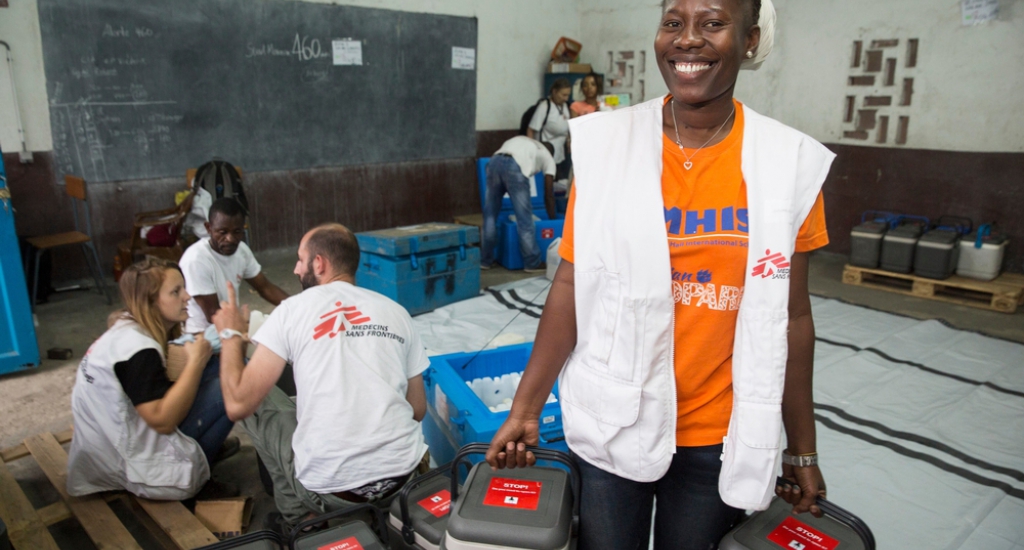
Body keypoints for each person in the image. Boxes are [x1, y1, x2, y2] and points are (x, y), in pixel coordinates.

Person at [486, 0, 832, 549]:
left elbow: (791, 319)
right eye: (673, 22)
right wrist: (526, 408)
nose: (687, 40)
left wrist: (802, 450)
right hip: (614, 419)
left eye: (713, 23)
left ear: (749, 39)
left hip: (718, 434)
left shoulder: (787, 165)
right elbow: (573, 284)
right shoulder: (608, 147)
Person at [211, 223, 430, 530]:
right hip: (404, 480)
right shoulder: (396, 311)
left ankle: (302, 520)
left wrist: (231, 334)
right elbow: (418, 409)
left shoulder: (292, 310)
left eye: (300, 260)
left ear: (319, 263)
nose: (296, 268)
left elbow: (236, 404)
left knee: (253, 399)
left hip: (334, 493)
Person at [67, 258, 234, 500]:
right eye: (176, 291)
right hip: (130, 466)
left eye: (183, 287)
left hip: (113, 443)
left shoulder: (128, 328)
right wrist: (196, 361)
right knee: (229, 385)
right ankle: (201, 476)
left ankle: (205, 449)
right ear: (150, 302)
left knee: (216, 364)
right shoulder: (139, 351)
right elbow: (163, 421)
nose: (187, 296)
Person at [179, 197, 289, 336]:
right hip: (202, 336)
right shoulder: (196, 260)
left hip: (230, 328)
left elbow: (265, 287)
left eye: (237, 232)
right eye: (222, 232)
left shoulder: (241, 251)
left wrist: (297, 306)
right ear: (209, 228)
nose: (230, 239)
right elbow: (213, 315)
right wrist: (255, 327)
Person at [482, 137, 557, 272]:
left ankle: (485, 261)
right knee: (524, 220)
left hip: (493, 162)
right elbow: (549, 194)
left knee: (490, 216)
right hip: (515, 166)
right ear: (551, 153)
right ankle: (532, 263)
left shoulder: (524, 141)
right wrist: (553, 219)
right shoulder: (548, 157)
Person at [527, 78, 572, 181]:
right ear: (554, 92)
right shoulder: (544, 107)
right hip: (545, 154)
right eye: (563, 95)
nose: (566, 98)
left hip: (560, 155)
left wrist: (569, 140)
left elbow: (567, 127)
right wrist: (531, 151)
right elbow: (531, 130)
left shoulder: (565, 106)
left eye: (568, 95)